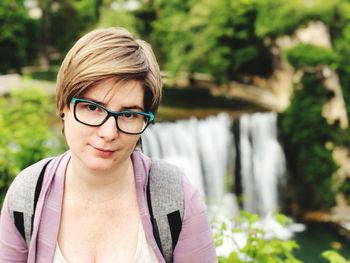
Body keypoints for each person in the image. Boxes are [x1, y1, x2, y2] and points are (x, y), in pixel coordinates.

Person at [0, 27, 217, 262]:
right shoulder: (27, 196)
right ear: (63, 106)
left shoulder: (175, 199)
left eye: (129, 115)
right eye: (92, 108)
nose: (109, 133)